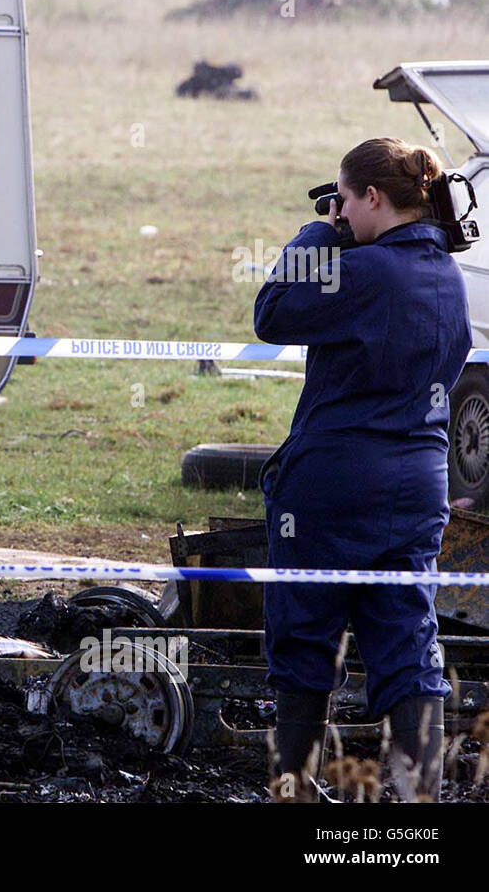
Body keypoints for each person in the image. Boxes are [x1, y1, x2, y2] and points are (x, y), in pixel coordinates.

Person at [253, 137, 472, 801]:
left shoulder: (367, 271)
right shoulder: (446, 277)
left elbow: (272, 312)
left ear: (373, 197)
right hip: (418, 481)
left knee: (305, 638)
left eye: (346, 200)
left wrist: (315, 231)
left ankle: (294, 787)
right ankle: (418, 802)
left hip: (335, 480)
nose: (342, 213)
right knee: (408, 639)